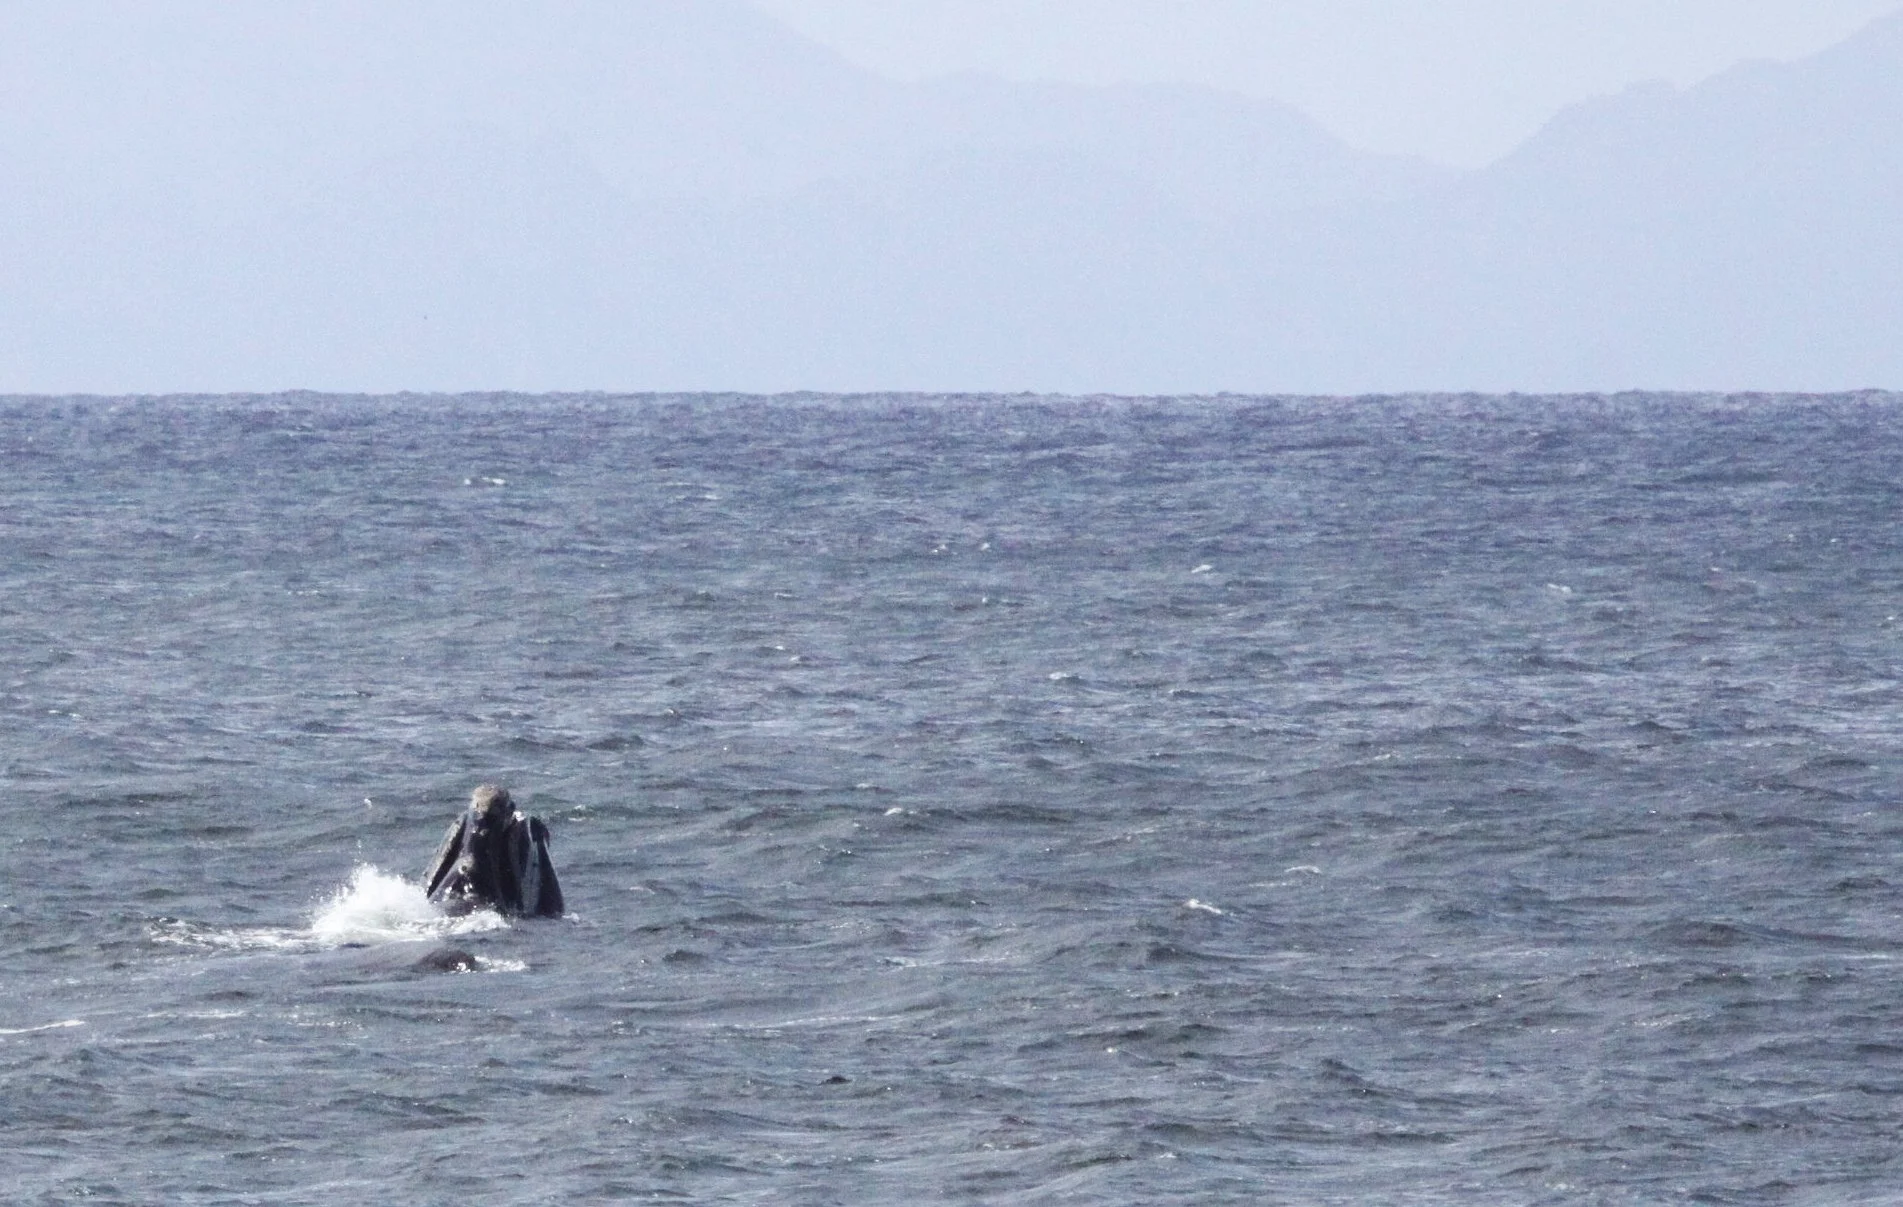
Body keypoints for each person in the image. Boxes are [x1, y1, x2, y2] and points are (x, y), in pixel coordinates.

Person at [422, 784, 564, 918]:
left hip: (451, 913)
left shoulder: (469, 833)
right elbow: (552, 908)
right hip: (480, 914)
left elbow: (427, 889)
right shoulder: (522, 827)